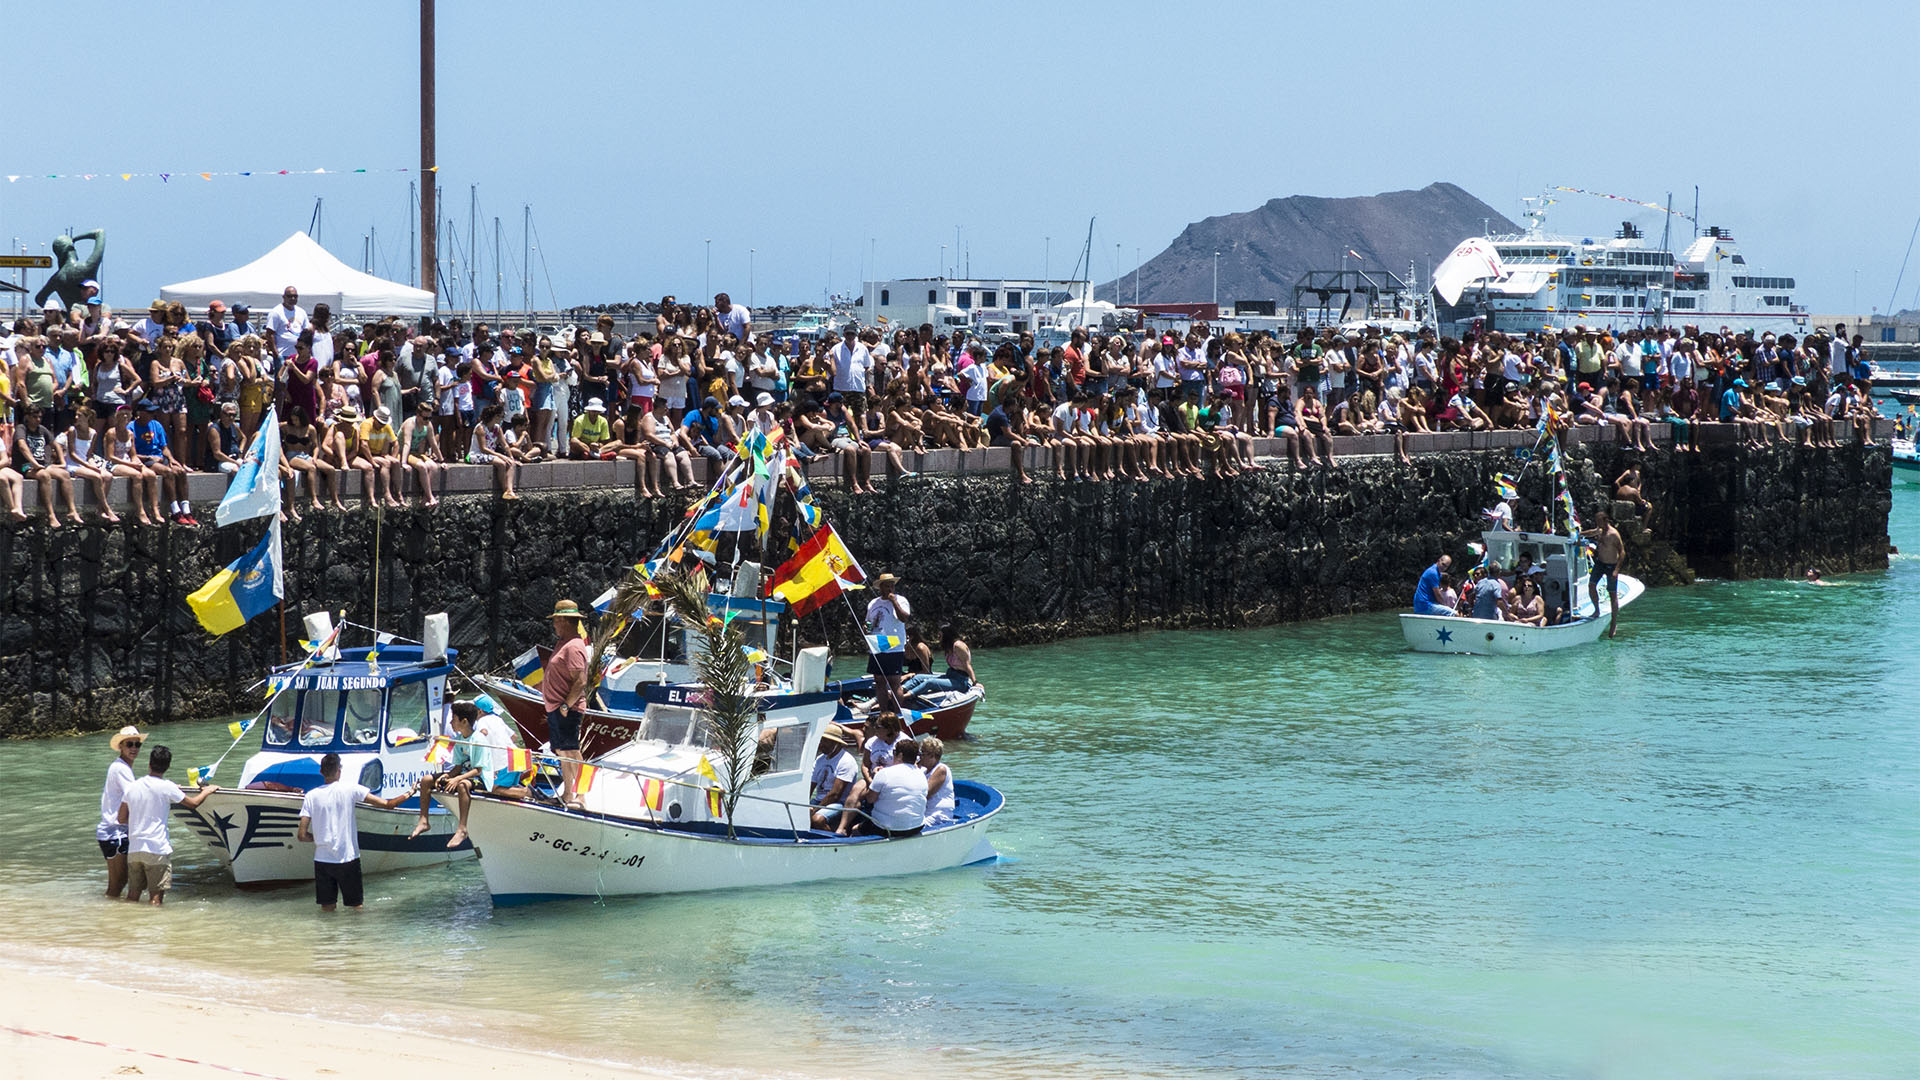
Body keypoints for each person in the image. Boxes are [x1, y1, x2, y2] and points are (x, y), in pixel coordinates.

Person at [297, 752, 409, 912]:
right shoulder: (351, 789)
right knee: (356, 908)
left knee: (327, 908)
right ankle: (356, 936)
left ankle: (327, 937)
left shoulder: (311, 796)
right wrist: (410, 792)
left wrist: (320, 839)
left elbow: (301, 835)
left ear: (321, 772)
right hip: (347, 858)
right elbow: (387, 804)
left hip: (322, 860)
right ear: (339, 771)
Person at [406, 700, 525, 848]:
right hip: (463, 773)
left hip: (479, 777)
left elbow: (478, 770)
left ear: (464, 721)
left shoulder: (477, 740)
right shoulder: (459, 740)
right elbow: (458, 766)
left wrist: (457, 779)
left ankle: (462, 828)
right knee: (426, 780)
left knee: (462, 785)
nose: (450, 723)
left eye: (453, 719)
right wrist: (448, 775)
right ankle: (424, 820)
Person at [117, 743, 218, 906]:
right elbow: (192, 804)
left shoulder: (132, 787)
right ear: (167, 766)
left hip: (135, 849)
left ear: (149, 764)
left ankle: (129, 926)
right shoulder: (168, 787)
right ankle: (155, 929)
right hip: (156, 849)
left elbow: (121, 818)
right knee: (155, 898)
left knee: (133, 895)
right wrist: (207, 791)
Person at [543, 599, 592, 809]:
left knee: (572, 751)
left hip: (567, 709)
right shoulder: (563, 643)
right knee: (563, 752)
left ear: (563, 620)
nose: (553, 625)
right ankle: (568, 793)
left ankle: (581, 795)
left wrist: (566, 705)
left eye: (555, 620)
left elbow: (580, 681)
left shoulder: (574, 647)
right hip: (556, 708)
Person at [836, 737, 926, 838]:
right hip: (917, 826)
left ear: (900, 755)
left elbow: (870, 799)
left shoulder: (884, 773)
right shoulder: (921, 774)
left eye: (894, 751)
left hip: (888, 829)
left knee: (855, 829)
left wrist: (875, 777)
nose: (893, 754)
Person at [98, 726, 144, 898]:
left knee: (120, 882)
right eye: (129, 744)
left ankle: (112, 913)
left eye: (137, 745)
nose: (133, 748)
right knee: (118, 884)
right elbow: (134, 795)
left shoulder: (121, 767)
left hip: (113, 830)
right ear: (121, 747)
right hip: (115, 831)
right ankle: (110, 914)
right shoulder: (121, 768)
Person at [864, 573, 911, 710]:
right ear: (881, 587)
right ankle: (883, 712)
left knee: (894, 682)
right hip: (877, 644)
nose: (890, 588)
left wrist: (893, 601)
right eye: (887, 585)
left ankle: (897, 713)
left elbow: (904, 618)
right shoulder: (873, 603)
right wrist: (866, 627)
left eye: (892, 585)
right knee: (879, 681)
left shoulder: (900, 600)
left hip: (893, 645)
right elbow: (868, 622)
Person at [808, 722, 860, 830]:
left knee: (817, 820)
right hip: (819, 800)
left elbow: (835, 795)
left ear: (836, 743)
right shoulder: (819, 760)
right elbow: (810, 786)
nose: (821, 744)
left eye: (825, 741)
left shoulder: (846, 761)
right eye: (821, 740)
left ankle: (834, 838)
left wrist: (815, 809)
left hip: (838, 803)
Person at [903, 623, 974, 698]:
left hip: (960, 682)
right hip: (950, 676)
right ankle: (901, 689)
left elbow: (967, 665)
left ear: (946, 636)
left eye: (940, 635)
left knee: (930, 682)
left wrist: (975, 682)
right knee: (918, 677)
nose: (938, 637)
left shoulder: (958, 645)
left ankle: (905, 696)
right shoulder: (948, 648)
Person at [1589, 509, 1625, 638]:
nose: (1598, 524)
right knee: (1591, 585)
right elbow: (1592, 532)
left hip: (1611, 566)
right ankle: (1596, 610)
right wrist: (1579, 533)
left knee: (1612, 594)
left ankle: (1613, 623)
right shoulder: (1599, 530)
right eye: (1596, 522)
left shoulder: (1613, 534)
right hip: (1600, 563)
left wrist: (1616, 570)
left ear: (1606, 520)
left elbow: (1622, 552)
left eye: (1599, 522)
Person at [918, 735, 955, 828]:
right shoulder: (923, 771)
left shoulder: (941, 770)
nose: (919, 757)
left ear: (932, 756)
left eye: (922, 754)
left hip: (939, 815)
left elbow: (926, 793)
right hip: (925, 813)